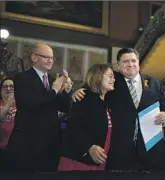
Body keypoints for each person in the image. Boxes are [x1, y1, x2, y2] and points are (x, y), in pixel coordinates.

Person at [73, 48, 165, 170]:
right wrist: (77, 92)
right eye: (125, 61)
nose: (130, 64)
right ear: (118, 65)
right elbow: (93, 86)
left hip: (150, 149)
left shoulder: (155, 82)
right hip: (119, 151)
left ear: (138, 62)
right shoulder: (112, 80)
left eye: (133, 60)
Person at [6, 44, 72, 172]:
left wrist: (66, 91)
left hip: (50, 146)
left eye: (52, 58)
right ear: (34, 57)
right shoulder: (22, 78)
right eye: (46, 57)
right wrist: (54, 90)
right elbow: (31, 104)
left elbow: (64, 108)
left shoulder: (53, 80)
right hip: (28, 146)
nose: (50, 61)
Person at [59, 64, 115, 171]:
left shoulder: (107, 101)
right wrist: (89, 147)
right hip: (78, 162)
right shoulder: (84, 96)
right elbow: (72, 127)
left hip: (98, 163)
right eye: (110, 76)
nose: (114, 79)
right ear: (98, 76)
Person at [0, 78, 16, 162]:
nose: (8, 89)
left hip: (19, 148)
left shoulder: (22, 104)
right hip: (2, 149)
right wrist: (9, 104)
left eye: (11, 86)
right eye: (5, 87)